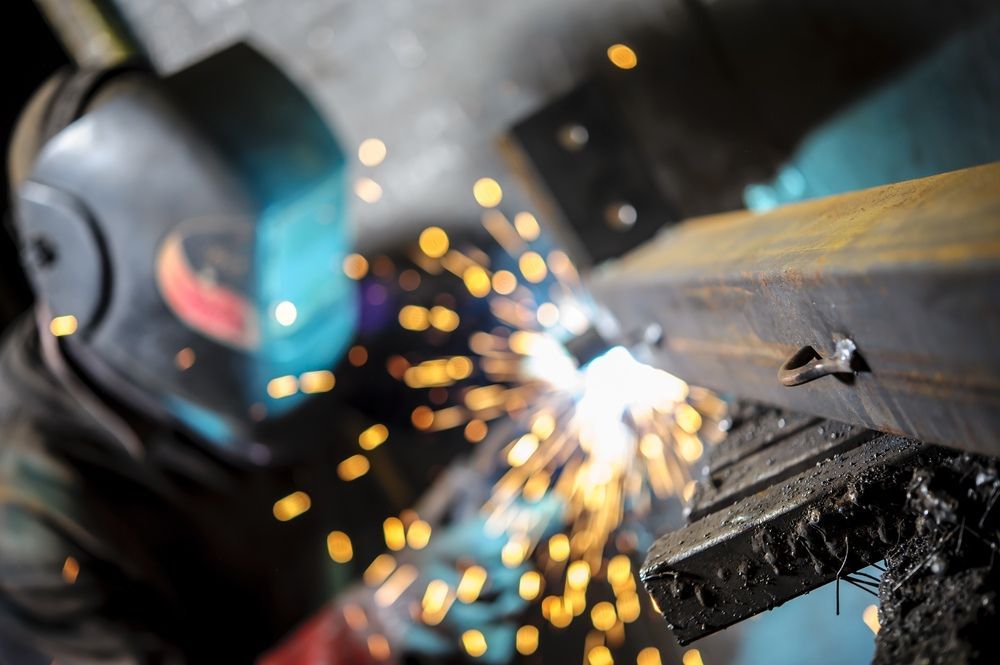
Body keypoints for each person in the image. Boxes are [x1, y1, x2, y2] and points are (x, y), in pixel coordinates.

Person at [0, 43, 520, 665]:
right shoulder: (31, 521)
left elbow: (431, 356)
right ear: (101, 271)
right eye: (222, 261)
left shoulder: (305, 306)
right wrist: (367, 635)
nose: (301, 306)